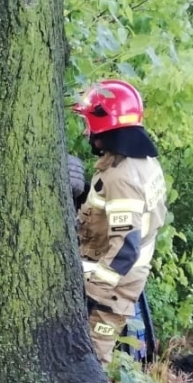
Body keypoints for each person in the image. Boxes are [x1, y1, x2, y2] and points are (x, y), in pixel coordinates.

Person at [71, 80, 168, 364]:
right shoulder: (141, 163)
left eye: (88, 122)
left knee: (91, 355)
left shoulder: (122, 176)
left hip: (112, 288)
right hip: (111, 274)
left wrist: (92, 293)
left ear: (103, 126)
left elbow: (125, 248)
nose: (86, 130)